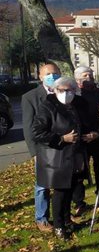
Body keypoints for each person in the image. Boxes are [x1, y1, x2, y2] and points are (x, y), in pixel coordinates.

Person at [32, 76, 99, 239]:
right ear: (55, 91)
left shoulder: (79, 104)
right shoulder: (48, 106)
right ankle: (58, 225)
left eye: (70, 90)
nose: (66, 93)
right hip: (57, 157)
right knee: (61, 191)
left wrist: (92, 134)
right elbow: (37, 132)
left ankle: (67, 219)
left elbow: (89, 123)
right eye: (62, 90)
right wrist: (62, 138)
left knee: (72, 188)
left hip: (76, 154)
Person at [22, 62, 61, 232]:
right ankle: (42, 218)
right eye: (48, 74)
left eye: (55, 73)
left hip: (62, 144)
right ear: (40, 77)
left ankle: (62, 214)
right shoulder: (30, 97)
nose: (52, 77)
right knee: (42, 185)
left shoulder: (64, 92)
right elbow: (28, 127)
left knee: (62, 182)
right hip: (42, 147)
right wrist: (34, 152)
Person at [71, 66, 99, 218]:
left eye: (90, 74)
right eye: (85, 75)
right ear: (77, 79)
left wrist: (97, 132)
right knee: (79, 172)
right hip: (80, 138)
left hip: (97, 135)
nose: (89, 77)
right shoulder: (73, 96)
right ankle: (79, 203)